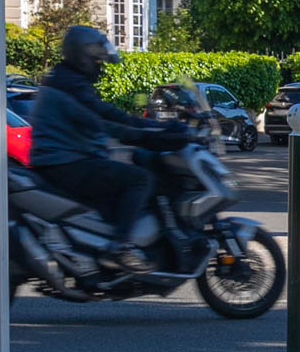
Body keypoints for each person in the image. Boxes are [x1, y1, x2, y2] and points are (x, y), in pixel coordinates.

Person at [25, 24, 183, 272]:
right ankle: (119, 248)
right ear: (83, 57)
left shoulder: (65, 79)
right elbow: (103, 123)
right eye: (97, 61)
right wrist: (148, 135)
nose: (100, 67)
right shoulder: (71, 87)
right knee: (140, 180)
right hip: (67, 163)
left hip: (63, 160)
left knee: (132, 165)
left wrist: (157, 127)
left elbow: (108, 115)